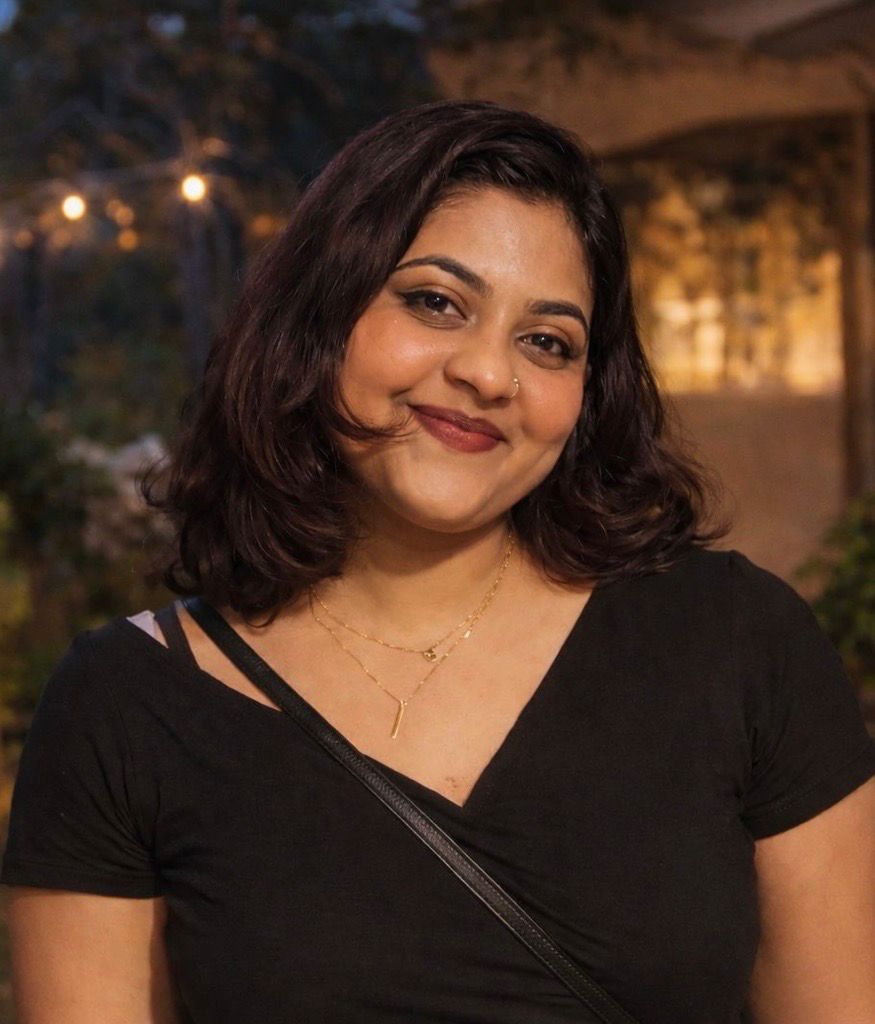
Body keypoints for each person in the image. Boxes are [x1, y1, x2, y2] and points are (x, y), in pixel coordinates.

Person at [2, 99, 873, 1024]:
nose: (489, 375)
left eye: (546, 342)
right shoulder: (125, 707)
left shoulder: (735, 646)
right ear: (319, 315)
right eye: (434, 303)